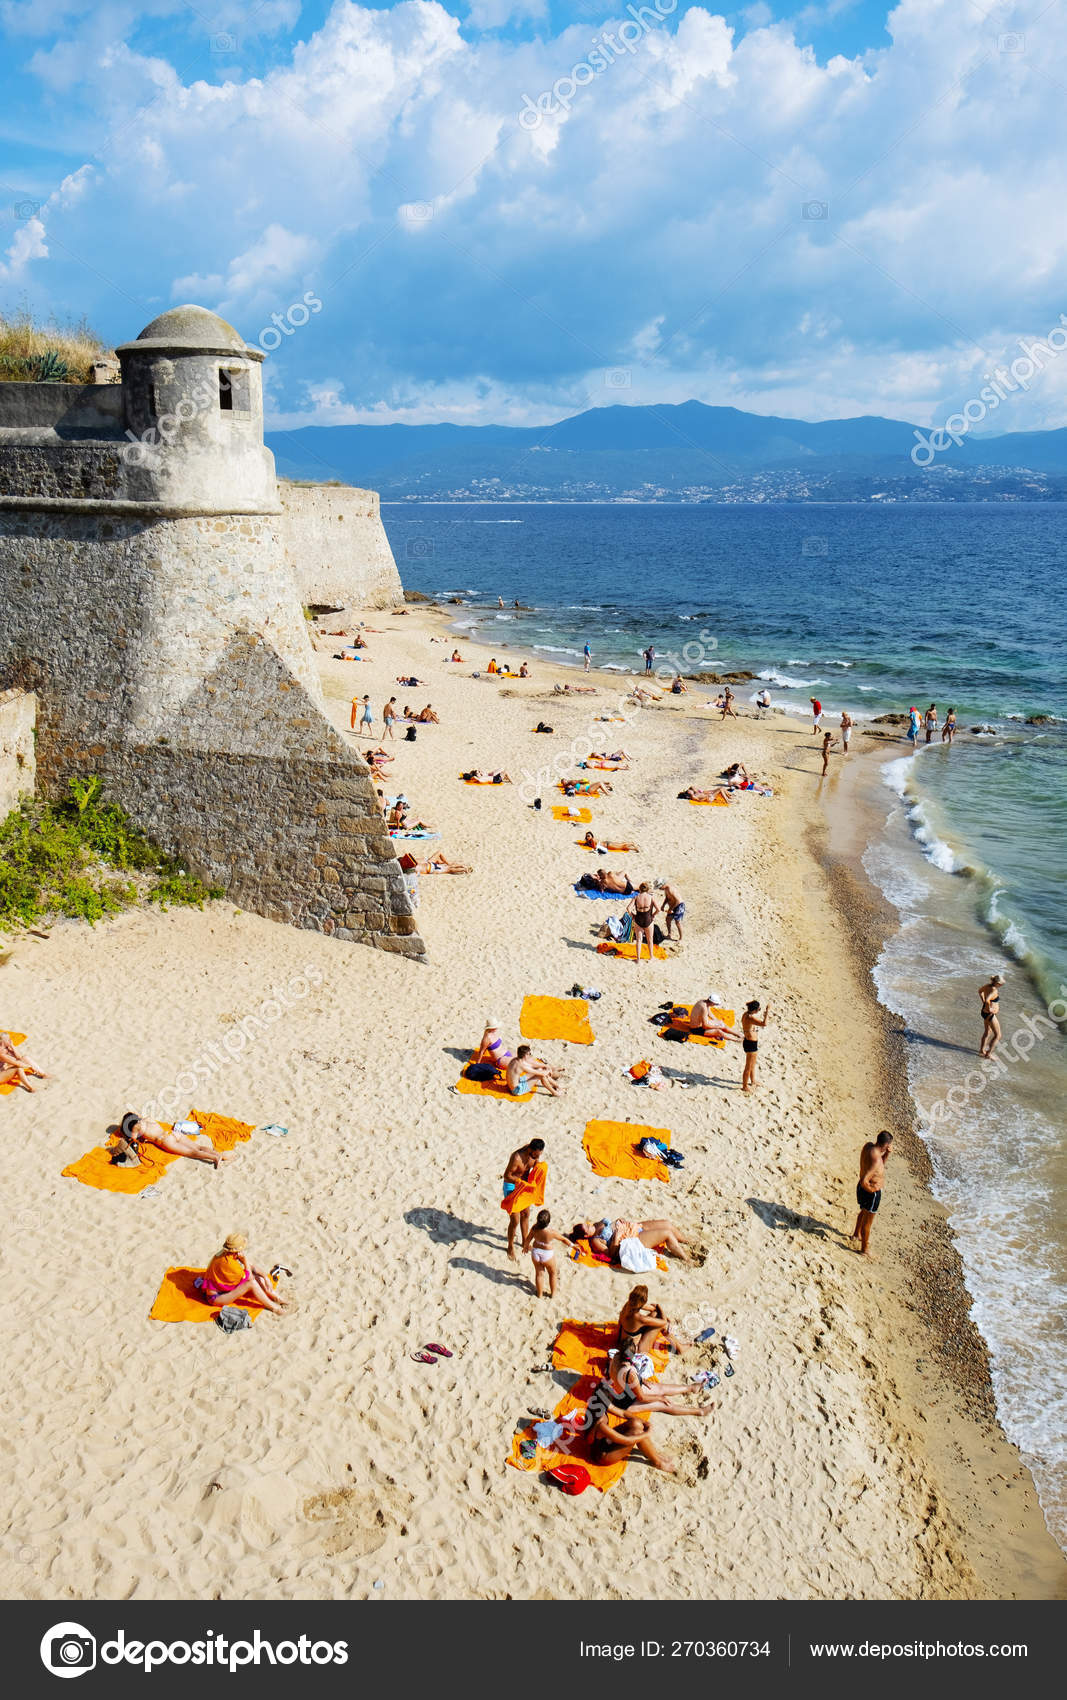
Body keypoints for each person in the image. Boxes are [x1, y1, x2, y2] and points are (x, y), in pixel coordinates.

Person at [198, 1232, 287, 1314]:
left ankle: (276, 1297)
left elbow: (251, 1266)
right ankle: (273, 1307)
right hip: (216, 1297)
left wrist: (265, 1277)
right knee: (252, 1283)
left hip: (220, 1289)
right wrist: (244, 1261)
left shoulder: (226, 1253)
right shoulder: (230, 1264)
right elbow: (250, 1278)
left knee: (257, 1276)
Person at [113, 1112, 236, 1169]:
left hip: (166, 1141)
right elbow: (137, 1115)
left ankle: (215, 1158)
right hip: (173, 1134)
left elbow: (131, 1138)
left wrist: (125, 1131)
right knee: (197, 1147)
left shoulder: (136, 1128)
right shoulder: (147, 1119)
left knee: (192, 1153)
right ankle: (218, 1154)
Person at [570, 1216, 696, 1262]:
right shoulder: (596, 1240)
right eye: (586, 1227)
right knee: (666, 1233)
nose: (588, 1225)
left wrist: (619, 1220)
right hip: (631, 1239)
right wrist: (617, 1236)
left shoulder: (596, 1224)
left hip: (632, 1227)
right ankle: (687, 1259)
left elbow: (611, 1223)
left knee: (667, 1223)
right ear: (586, 1236)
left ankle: (686, 1241)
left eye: (585, 1224)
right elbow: (611, 1254)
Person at [851, 1131, 893, 1260]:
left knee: (863, 1211)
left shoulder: (868, 1146)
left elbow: (878, 1166)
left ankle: (856, 1234)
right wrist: (872, 1190)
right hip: (871, 1192)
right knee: (868, 1222)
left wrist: (887, 1154)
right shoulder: (876, 1159)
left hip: (861, 1189)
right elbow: (865, 1179)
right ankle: (864, 1249)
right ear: (886, 1144)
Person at [503, 1138, 546, 1260]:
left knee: (526, 1214)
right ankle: (510, 1246)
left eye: (539, 1156)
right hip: (512, 1185)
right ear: (530, 1149)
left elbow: (536, 1164)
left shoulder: (535, 1154)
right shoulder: (516, 1157)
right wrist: (519, 1182)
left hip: (525, 1184)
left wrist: (540, 1169)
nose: (536, 1158)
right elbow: (507, 1175)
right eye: (535, 1155)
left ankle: (524, 1241)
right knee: (515, 1220)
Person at [617, 1287, 686, 1356]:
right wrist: (659, 1306)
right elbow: (663, 1322)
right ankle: (680, 1348)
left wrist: (657, 1310)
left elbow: (651, 1309)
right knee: (663, 1324)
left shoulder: (628, 1304)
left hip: (623, 1342)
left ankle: (678, 1345)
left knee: (655, 1314)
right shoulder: (640, 1318)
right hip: (635, 1350)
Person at [522, 1209, 570, 1298]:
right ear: (548, 1222)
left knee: (539, 1274)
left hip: (535, 1253)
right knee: (552, 1273)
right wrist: (572, 1245)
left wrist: (525, 1247)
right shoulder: (551, 1232)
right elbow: (563, 1239)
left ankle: (539, 1294)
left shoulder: (534, 1228)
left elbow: (528, 1239)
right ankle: (553, 1294)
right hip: (547, 1255)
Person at [740, 998, 771, 1091]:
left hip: (749, 1042)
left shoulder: (746, 1014)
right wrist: (768, 1011)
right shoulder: (750, 1017)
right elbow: (764, 1024)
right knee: (748, 1067)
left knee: (752, 1064)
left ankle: (753, 1081)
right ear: (754, 1010)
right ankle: (745, 1086)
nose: (759, 1011)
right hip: (750, 1043)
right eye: (758, 1009)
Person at [627, 882, 659, 965]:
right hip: (648, 919)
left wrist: (633, 916)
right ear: (648, 889)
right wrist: (653, 915)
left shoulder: (636, 897)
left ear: (640, 889)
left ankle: (638, 959)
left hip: (638, 920)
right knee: (650, 940)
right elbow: (658, 909)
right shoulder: (651, 897)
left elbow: (628, 908)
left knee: (639, 940)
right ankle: (651, 957)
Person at [979, 973, 1005, 1058]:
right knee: (998, 1035)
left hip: (984, 1012)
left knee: (987, 1032)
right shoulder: (994, 990)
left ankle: (982, 1050)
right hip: (990, 1014)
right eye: (1001, 984)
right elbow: (987, 1000)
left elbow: (980, 991)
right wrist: (989, 1008)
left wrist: (984, 1003)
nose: (1002, 985)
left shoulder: (987, 986)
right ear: (997, 983)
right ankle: (988, 1054)